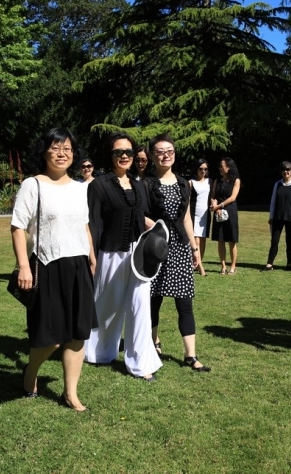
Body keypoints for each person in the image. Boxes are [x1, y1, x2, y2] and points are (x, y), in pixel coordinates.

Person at [12, 128, 96, 411]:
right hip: (46, 265)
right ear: (44, 151)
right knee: (50, 337)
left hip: (78, 265)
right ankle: (31, 372)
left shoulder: (81, 188)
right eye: (56, 148)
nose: (62, 154)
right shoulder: (33, 185)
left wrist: (91, 256)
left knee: (78, 333)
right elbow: (18, 227)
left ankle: (70, 393)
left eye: (67, 149)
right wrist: (24, 267)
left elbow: (84, 225)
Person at [84, 132, 161, 381]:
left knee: (140, 306)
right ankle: (97, 352)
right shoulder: (99, 185)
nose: (125, 156)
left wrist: (150, 223)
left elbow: (138, 214)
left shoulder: (139, 185)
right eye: (119, 152)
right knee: (107, 306)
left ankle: (141, 363)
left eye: (129, 152)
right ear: (111, 155)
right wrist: (92, 257)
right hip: (110, 254)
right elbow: (92, 224)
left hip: (138, 255)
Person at [145, 135, 210, 372]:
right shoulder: (146, 183)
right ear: (152, 156)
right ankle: (153, 342)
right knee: (153, 300)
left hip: (180, 248)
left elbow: (186, 218)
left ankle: (190, 355)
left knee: (184, 303)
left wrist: (195, 248)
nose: (166, 155)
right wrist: (154, 226)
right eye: (160, 151)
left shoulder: (184, 183)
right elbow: (140, 214)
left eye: (170, 151)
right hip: (154, 247)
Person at [262, 161, 291, 272]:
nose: (286, 172)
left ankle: (289, 263)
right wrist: (271, 216)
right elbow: (273, 201)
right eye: (283, 170)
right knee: (274, 241)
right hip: (277, 217)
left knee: (289, 241)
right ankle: (269, 264)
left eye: (288, 170)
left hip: (290, 217)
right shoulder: (278, 184)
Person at [210, 157, 241, 274]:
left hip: (230, 210)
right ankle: (223, 266)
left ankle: (233, 266)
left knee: (231, 240)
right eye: (219, 166)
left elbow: (233, 197)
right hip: (218, 211)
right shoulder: (217, 180)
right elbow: (213, 195)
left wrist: (220, 205)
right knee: (220, 239)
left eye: (222, 166)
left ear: (229, 167)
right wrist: (215, 205)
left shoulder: (236, 181)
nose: (220, 168)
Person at [189, 158, 211, 276]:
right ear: (196, 169)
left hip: (205, 215)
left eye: (205, 169)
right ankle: (201, 268)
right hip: (194, 214)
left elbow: (212, 196)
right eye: (201, 169)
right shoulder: (191, 182)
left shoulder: (210, 181)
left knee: (202, 240)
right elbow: (187, 200)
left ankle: (198, 263)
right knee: (196, 240)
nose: (203, 171)